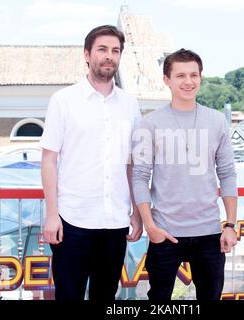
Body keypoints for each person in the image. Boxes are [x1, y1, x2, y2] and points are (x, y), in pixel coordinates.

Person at [40, 25, 143, 301]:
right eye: (102, 49)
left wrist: (136, 209)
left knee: (106, 296)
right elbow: (48, 160)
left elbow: (131, 163)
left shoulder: (130, 105)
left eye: (115, 51)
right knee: (68, 295)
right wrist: (52, 215)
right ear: (87, 55)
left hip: (115, 221)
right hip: (72, 220)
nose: (109, 56)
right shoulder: (63, 101)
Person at [132, 49, 238, 301]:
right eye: (180, 75)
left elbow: (227, 174)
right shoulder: (150, 123)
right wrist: (150, 226)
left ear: (201, 77)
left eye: (193, 75)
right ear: (166, 80)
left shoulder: (217, 121)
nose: (188, 81)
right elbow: (139, 176)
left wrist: (231, 225)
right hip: (165, 232)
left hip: (210, 232)